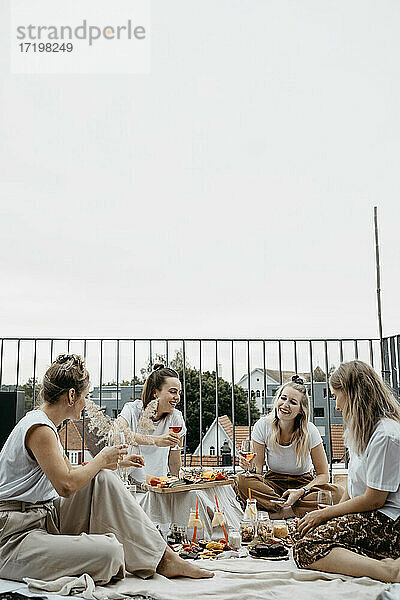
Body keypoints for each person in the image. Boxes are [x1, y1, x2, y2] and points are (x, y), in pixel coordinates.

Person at [0, 354, 213, 583]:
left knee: (101, 478)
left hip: (45, 517)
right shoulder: (39, 428)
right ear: (72, 395)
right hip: (15, 535)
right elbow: (66, 485)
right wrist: (101, 459)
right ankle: (144, 556)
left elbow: (70, 472)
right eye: (85, 396)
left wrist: (115, 462)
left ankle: (164, 558)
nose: (86, 403)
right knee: (110, 553)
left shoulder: (46, 425)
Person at [293, 360, 400, 583]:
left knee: (307, 547)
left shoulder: (386, 435)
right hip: (373, 516)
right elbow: (352, 489)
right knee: (303, 532)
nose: (336, 405)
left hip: (391, 522)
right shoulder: (362, 430)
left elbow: (374, 499)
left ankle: (389, 571)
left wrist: (324, 514)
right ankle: (376, 558)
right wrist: (331, 517)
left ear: (353, 395)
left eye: (335, 396)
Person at [235, 375, 343, 518]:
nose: (285, 404)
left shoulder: (310, 431)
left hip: (303, 485)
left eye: (292, 402)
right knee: (242, 480)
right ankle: (289, 508)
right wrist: (250, 468)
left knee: (338, 493)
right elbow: (258, 472)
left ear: (300, 410)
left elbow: (323, 475)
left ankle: (281, 512)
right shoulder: (262, 426)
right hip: (273, 483)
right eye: (283, 398)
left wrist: (301, 491)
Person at [118, 364, 186, 483]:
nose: (177, 397)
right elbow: (117, 431)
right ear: (155, 393)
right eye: (173, 392)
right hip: (129, 484)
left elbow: (174, 461)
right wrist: (155, 440)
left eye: (178, 393)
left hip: (158, 484)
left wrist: (179, 485)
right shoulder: (132, 410)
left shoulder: (176, 417)